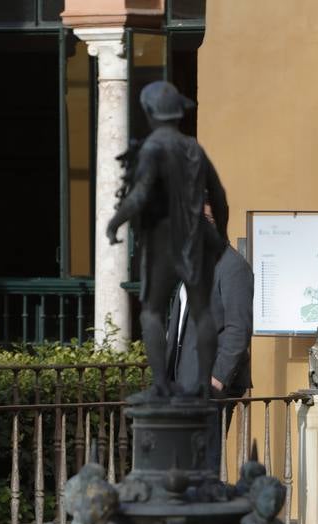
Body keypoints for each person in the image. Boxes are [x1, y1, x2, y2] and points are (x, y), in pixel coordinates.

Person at [105, 80, 228, 403]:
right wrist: (221, 235)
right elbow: (219, 196)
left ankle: (160, 384)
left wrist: (115, 222)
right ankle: (202, 385)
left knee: (152, 312)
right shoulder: (193, 148)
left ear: (149, 112)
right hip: (197, 239)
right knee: (203, 312)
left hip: (163, 242)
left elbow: (141, 193)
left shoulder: (153, 148)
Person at [167, 212, 253, 475]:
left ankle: (202, 515)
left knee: (202, 464)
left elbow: (239, 328)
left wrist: (218, 378)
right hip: (181, 383)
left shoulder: (232, 266)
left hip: (208, 387)